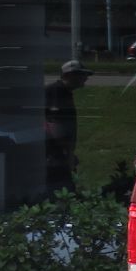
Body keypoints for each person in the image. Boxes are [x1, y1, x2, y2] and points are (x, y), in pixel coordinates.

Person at [44, 59, 92, 193]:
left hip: (58, 152)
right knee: (62, 187)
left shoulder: (64, 92)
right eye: (82, 75)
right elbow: (54, 123)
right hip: (54, 152)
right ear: (69, 75)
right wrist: (67, 152)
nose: (85, 78)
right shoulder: (56, 92)